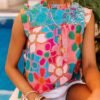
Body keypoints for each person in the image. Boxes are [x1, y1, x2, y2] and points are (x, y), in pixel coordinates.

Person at [5, 0, 100, 100]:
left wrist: (98, 91)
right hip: (34, 93)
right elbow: (10, 67)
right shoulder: (27, 16)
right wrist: (34, 97)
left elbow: (89, 66)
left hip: (70, 89)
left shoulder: (84, 16)